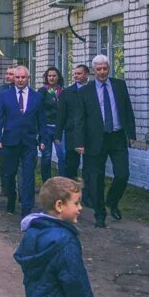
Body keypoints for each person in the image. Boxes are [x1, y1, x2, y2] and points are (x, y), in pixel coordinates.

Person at [79, 54, 136, 229]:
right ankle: (100, 214)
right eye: (99, 69)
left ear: (109, 69)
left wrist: (131, 134)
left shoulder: (119, 85)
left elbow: (127, 109)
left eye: (105, 68)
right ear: (94, 71)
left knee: (122, 174)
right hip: (95, 139)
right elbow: (79, 118)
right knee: (96, 178)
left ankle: (112, 201)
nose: (102, 72)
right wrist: (80, 142)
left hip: (117, 136)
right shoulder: (85, 91)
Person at [0, 65, 48, 217]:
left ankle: (27, 207)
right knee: (9, 174)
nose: (20, 80)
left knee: (28, 175)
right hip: (9, 142)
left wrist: (43, 139)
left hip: (29, 142)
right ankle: (11, 199)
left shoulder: (37, 97)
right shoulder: (5, 96)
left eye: (23, 77)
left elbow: (41, 120)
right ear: (13, 79)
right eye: (17, 77)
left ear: (28, 78)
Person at [55, 63, 89, 206]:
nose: (76, 76)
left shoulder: (92, 90)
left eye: (79, 73)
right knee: (71, 165)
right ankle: (70, 195)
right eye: (75, 73)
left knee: (89, 167)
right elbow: (61, 115)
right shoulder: (67, 92)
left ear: (87, 75)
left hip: (89, 134)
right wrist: (58, 134)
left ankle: (88, 197)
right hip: (71, 133)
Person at [36, 66, 66, 182]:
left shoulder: (63, 91)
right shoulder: (43, 91)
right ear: (46, 77)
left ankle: (63, 182)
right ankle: (46, 182)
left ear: (58, 77)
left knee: (62, 155)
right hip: (46, 127)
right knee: (46, 157)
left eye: (54, 76)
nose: (52, 78)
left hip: (60, 128)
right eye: (49, 76)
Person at [0, 65, 17, 196]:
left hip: (18, 131)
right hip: (3, 130)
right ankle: (5, 186)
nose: (7, 76)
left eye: (11, 74)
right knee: (4, 161)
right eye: (7, 74)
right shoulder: (0, 90)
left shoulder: (22, 90)